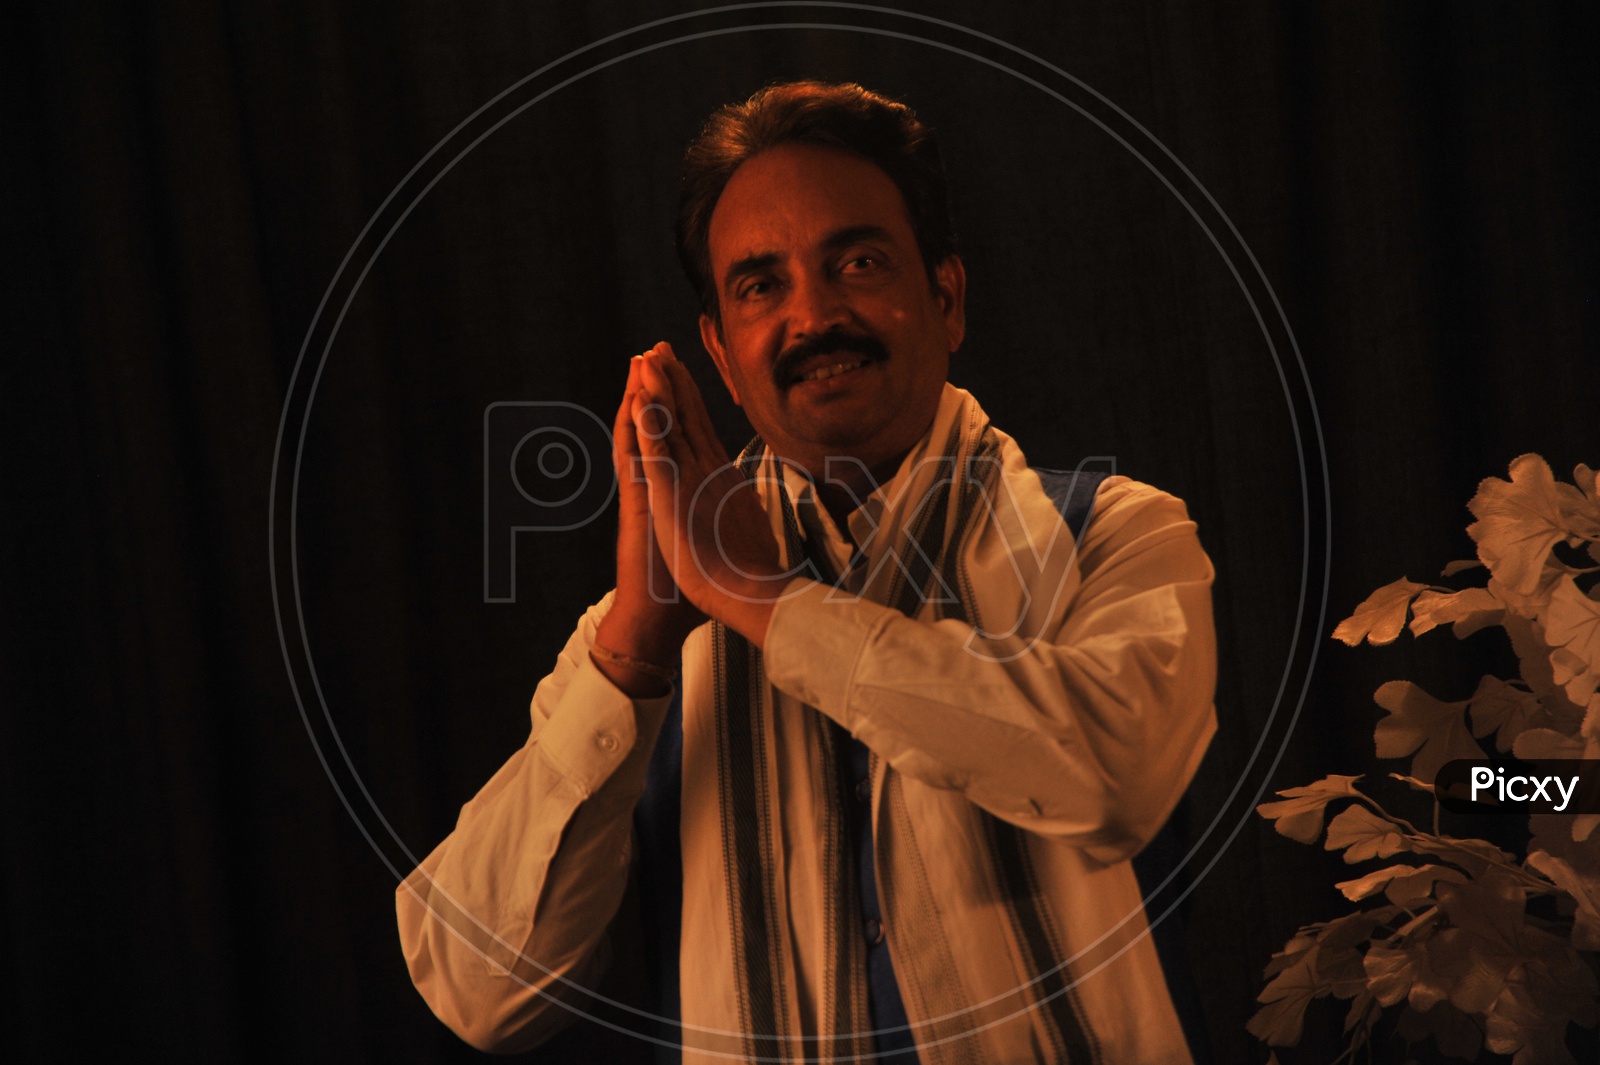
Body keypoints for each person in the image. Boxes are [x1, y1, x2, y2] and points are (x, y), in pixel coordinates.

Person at [397, 81, 1217, 1064]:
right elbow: (474, 989)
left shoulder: (1114, 537)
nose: (813, 315)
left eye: (857, 262)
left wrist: (763, 601)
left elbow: (1111, 777)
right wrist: (636, 643)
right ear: (719, 352)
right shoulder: (649, 639)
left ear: (945, 298)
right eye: (759, 285)